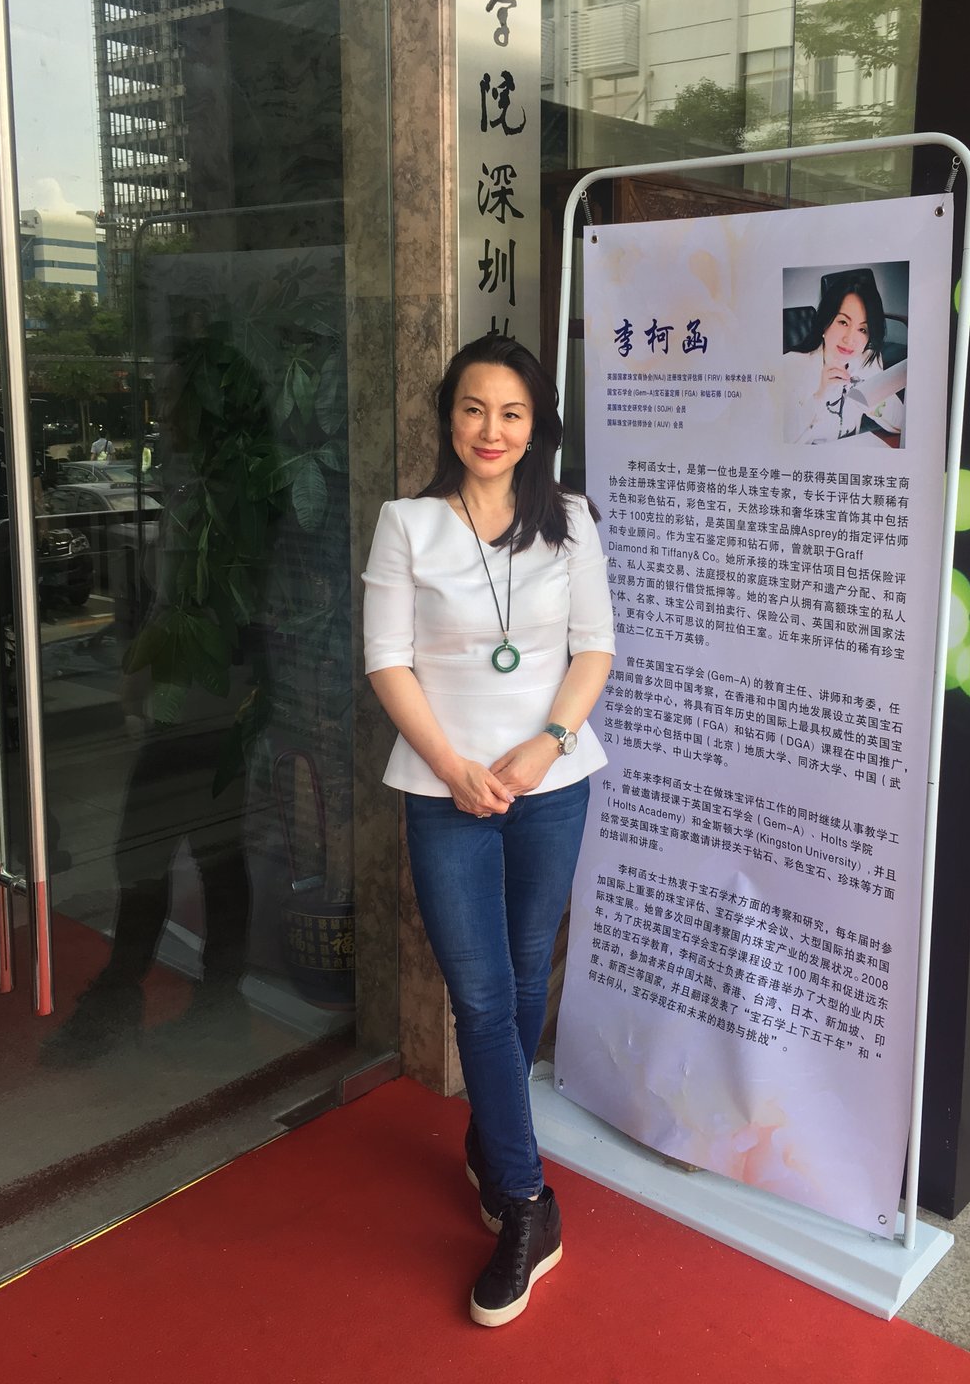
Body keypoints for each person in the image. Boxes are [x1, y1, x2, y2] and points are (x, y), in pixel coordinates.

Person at [363, 331, 614, 1328]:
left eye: (512, 413)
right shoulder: (409, 524)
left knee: (518, 980)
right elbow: (389, 661)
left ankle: (489, 1141)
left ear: (536, 424)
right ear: (449, 417)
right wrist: (453, 768)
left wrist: (547, 744)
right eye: (474, 409)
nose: (492, 430)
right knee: (477, 992)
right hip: (443, 790)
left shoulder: (571, 522)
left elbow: (594, 647)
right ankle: (527, 1201)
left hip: (551, 783)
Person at [777, 269, 905, 445]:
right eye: (843, 322)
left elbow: (900, 424)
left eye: (862, 329)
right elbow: (783, 440)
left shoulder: (867, 360)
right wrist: (820, 396)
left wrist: (870, 395)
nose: (850, 339)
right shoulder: (792, 365)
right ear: (825, 322)